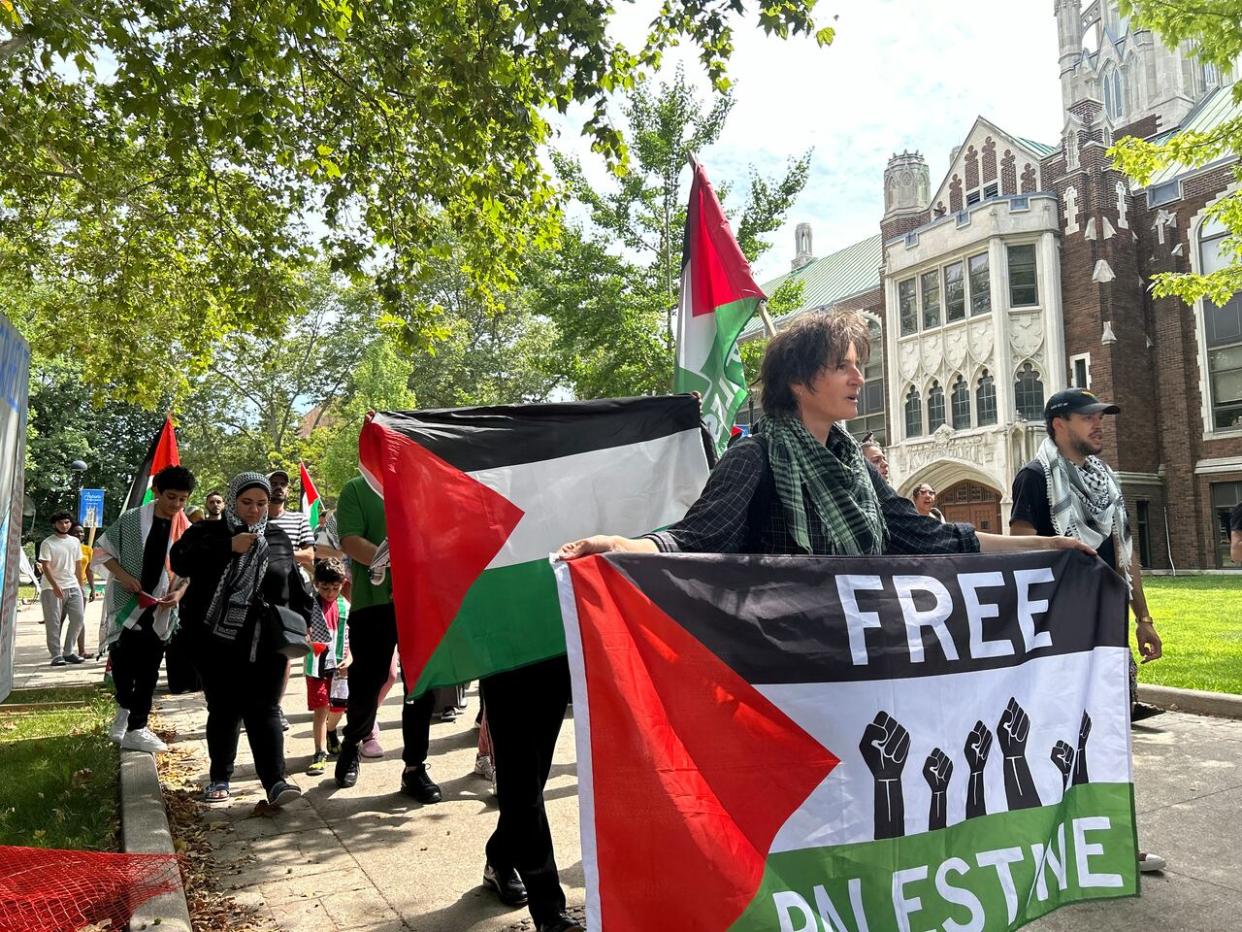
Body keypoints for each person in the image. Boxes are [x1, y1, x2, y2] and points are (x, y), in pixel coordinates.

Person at [1009, 386, 1165, 872]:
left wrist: (1143, 617)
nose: (1099, 425)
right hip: (1062, 634)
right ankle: (1046, 839)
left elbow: (1125, 553)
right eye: (1087, 417)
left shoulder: (1106, 480)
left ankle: (1116, 840)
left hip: (1110, 628)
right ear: (1059, 423)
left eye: (1101, 417)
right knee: (1059, 737)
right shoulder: (1035, 478)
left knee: (1110, 738)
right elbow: (1023, 552)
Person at [170, 472, 313, 807]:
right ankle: (220, 777)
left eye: (261, 504)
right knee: (225, 709)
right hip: (217, 640)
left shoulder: (277, 537)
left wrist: (303, 622)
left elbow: (291, 583)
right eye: (247, 503)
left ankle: (275, 781)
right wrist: (228, 548)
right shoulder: (207, 531)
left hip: (266, 640)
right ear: (233, 500)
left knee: (266, 709)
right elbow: (180, 561)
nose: (254, 510)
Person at [332, 472, 440, 803]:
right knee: (369, 682)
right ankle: (352, 742)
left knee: (421, 686)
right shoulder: (355, 488)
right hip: (374, 604)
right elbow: (350, 541)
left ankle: (414, 768)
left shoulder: (421, 484)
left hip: (420, 602)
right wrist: (397, 558)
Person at [93, 465, 194, 753]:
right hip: (126, 603)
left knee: (149, 668)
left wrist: (178, 594)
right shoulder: (131, 520)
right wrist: (125, 577)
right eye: (171, 497)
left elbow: (188, 571)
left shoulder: (185, 529)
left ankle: (138, 726)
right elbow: (102, 552)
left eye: (182, 499)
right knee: (123, 664)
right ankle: (123, 713)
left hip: (160, 608)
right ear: (157, 492)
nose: (176, 504)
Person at [267, 468, 316, 730]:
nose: (277, 487)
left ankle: (276, 705)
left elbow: (309, 556)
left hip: (291, 594)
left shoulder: (298, 520)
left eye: (282, 484)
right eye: (273, 483)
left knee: (284, 650)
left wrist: (278, 552)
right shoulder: (256, 517)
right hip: (259, 593)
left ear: (288, 489)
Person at [305, 558, 351, 776]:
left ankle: (331, 731)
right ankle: (319, 752)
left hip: (340, 665)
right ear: (316, 584)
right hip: (317, 666)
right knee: (321, 708)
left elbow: (353, 636)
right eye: (325, 588)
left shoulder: (346, 607)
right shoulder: (309, 606)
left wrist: (350, 658)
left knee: (339, 707)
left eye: (335, 588)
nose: (330, 593)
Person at [39, 511, 86, 665]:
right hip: (51, 588)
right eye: (60, 523)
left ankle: (68, 652)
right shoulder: (48, 543)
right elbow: (45, 566)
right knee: (54, 622)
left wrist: (81, 585)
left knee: (78, 618)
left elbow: (78, 564)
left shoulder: (74, 542)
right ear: (54, 524)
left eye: (67, 522)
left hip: (72, 585)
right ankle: (55, 655)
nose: (64, 525)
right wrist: (55, 586)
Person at [67, 523, 96, 660]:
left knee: (79, 618)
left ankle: (82, 650)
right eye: (76, 532)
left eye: (81, 532)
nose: (79, 535)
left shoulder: (87, 550)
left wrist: (93, 589)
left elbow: (89, 570)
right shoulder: (66, 547)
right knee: (60, 618)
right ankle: (57, 651)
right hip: (65, 584)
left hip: (81, 586)